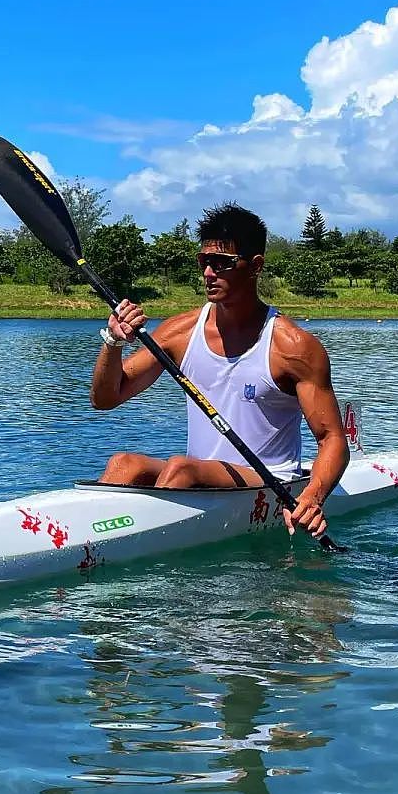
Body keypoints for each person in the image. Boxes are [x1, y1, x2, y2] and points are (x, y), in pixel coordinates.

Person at [90, 202, 349, 541]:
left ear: (255, 266)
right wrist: (112, 341)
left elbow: (332, 440)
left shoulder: (293, 347)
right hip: (195, 477)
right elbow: (106, 398)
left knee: (181, 468)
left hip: (269, 479)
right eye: (204, 262)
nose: (209, 273)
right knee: (124, 464)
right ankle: (100, 544)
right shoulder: (179, 332)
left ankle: (140, 557)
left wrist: (312, 497)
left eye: (222, 263)